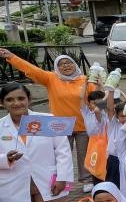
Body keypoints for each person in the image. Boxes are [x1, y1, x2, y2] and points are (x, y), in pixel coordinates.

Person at [0, 82, 86, 202]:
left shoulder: (46, 120)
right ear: (3, 103)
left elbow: (63, 151)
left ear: (29, 99)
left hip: (48, 183)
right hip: (13, 186)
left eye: (21, 98)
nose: (16, 103)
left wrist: (63, 178)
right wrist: (6, 159)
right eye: (10, 100)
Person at [0, 49, 91, 185]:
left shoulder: (85, 80)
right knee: (57, 155)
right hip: (59, 125)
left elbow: (96, 99)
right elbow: (31, 69)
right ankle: (58, 180)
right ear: (56, 67)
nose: (66, 65)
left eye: (69, 63)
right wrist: (13, 57)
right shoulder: (51, 78)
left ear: (75, 64)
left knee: (84, 154)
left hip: (83, 125)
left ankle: (86, 179)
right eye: (61, 64)